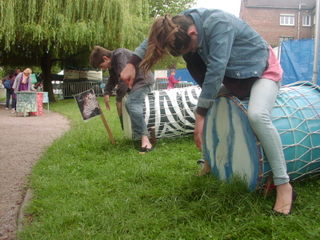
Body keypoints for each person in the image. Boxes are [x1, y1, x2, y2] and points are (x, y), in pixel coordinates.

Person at [120, 9, 294, 215]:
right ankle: (210, 162)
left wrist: (200, 115)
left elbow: (216, 69)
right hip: (236, 77)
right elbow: (154, 37)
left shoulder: (219, 24)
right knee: (208, 104)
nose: (192, 53)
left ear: (193, 33)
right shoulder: (179, 23)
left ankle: (284, 186)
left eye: (191, 47)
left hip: (262, 70)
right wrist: (132, 63)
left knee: (257, 115)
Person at [89, 46, 155, 154]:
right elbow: (113, 79)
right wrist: (106, 93)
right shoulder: (113, 62)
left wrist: (118, 99)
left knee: (131, 103)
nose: (103, 69)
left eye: (101, 66)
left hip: (144, 81)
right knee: (128, 103)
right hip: (136, 83)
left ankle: (145, 139)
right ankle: (133, 134)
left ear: (105, 58)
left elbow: (124, 79)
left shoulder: (120, 55)